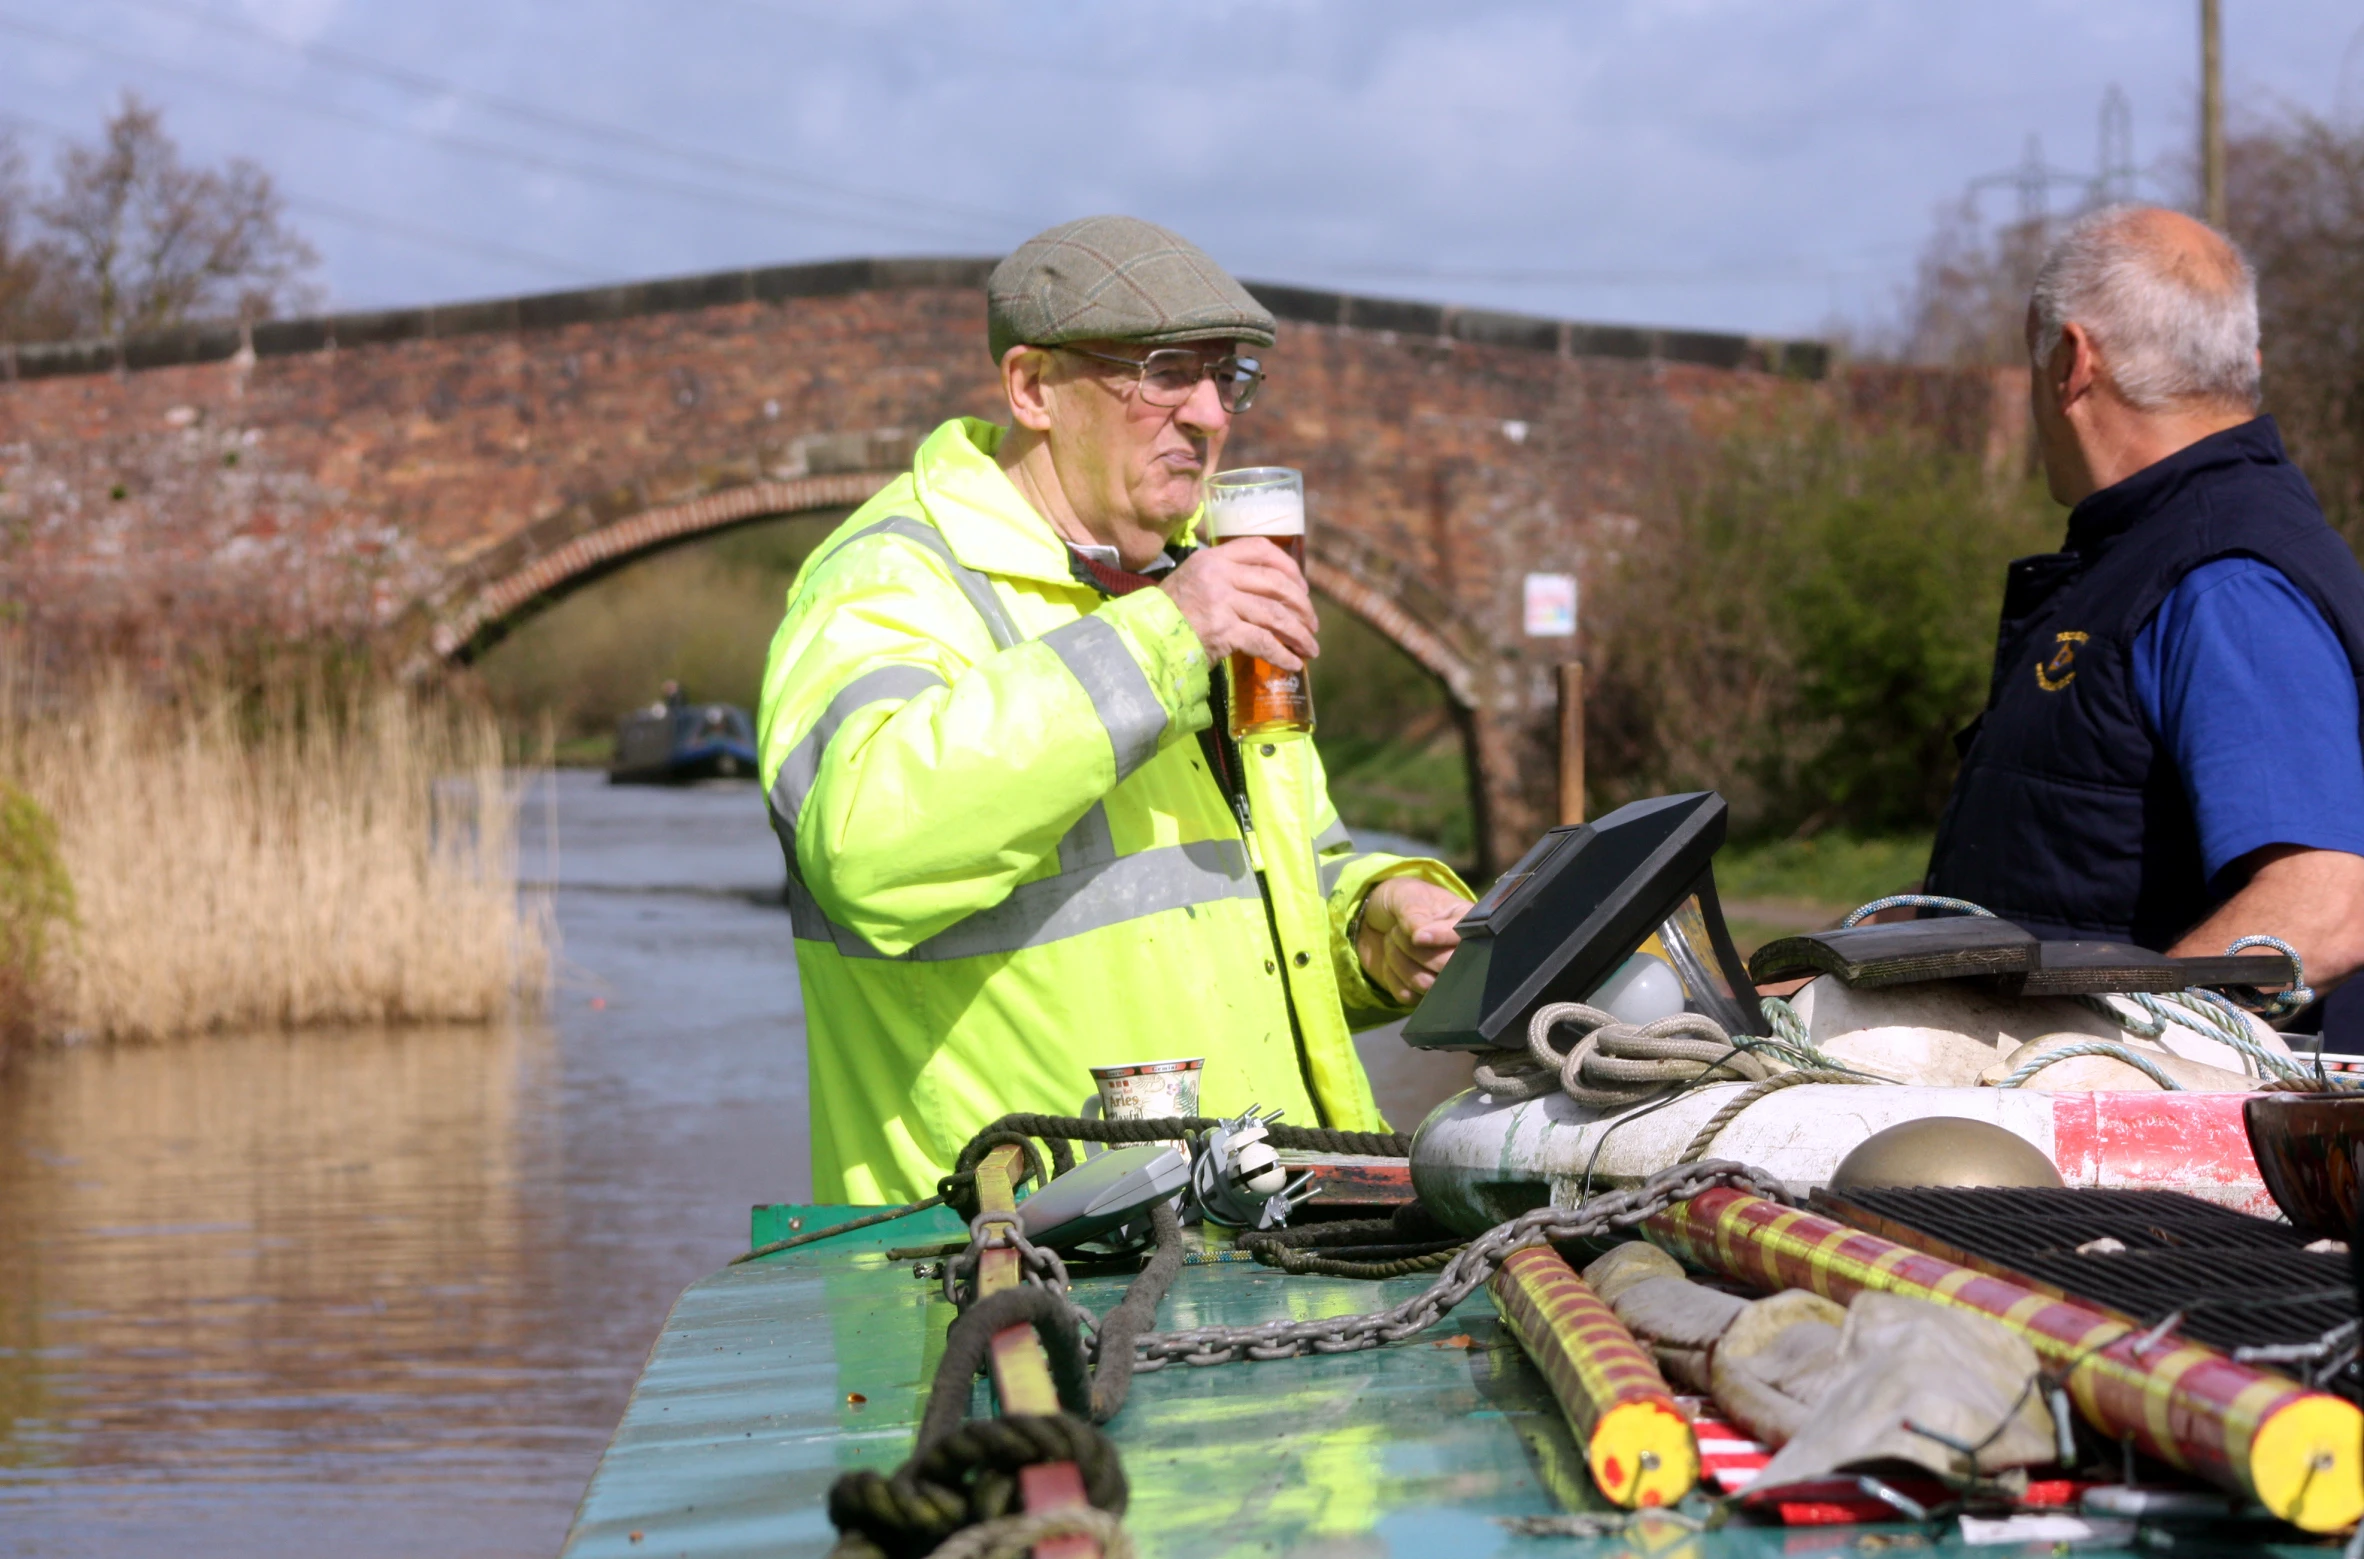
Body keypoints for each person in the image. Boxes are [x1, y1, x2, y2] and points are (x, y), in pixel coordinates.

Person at [758, 215, 1473, 1203]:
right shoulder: (891, 579)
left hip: (1256, 1238)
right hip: (1001, 1277)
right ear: (1031, 387)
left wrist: (1374, 924)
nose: (1210, 414)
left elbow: (1258, 899)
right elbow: (866, 845)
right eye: (1161, 371)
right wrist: (1164, 640)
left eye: (1228, 377)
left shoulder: (1188, 586)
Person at [1925, 205, 2364, 1010]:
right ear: (2247, 361)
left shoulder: (2227, 578)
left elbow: (2325, 906)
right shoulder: (2147, 560)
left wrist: (2088, 1054)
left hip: (2135, 1133)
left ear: (2071, 361)